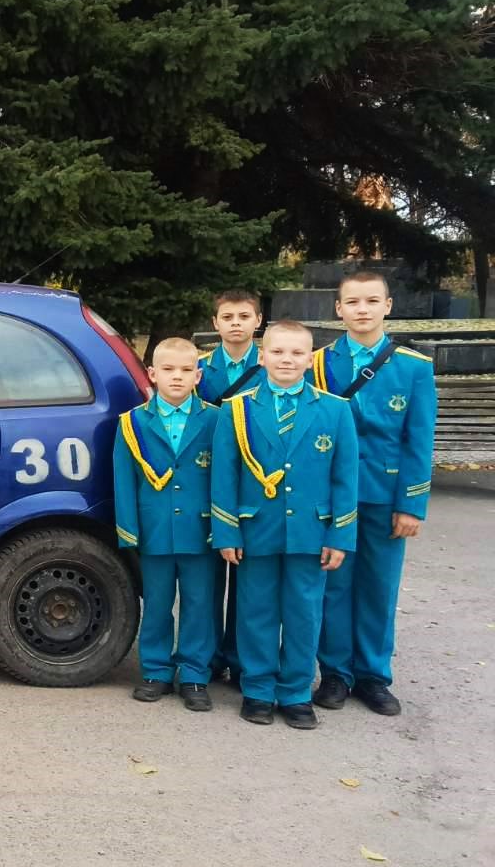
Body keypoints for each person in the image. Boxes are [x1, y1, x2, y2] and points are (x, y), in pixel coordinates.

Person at [211, 320, 357, 729]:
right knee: (255, 612)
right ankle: (257, 690)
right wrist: (226, 530)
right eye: (277, 352)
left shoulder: (335, 410)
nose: (286, 360)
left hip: (312, 533)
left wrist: (340, 535)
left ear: (309, 360)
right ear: (262, 357)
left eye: (296, 353)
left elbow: (345, 479)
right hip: (256, 530)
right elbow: (225, 475)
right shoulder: (236, 410)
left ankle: (295, 693)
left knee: (304, 614)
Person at [310, 271, 438, 716]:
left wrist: (411, 504)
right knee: (333, 585)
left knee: (379, 587)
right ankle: (335, 675)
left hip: (386, 494)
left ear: (388, 306)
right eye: (352, 301)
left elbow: (418, 441)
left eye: (371, 300)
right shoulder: (318, 364)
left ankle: (373, 677)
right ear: (338, 309)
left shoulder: (414, 367)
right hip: (334, 495)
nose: (361, 309)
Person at [112, 337, 219, 712]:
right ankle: (156, 671)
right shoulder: (133, 423)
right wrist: (129, 531)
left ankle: (193, 675)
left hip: (201, 532)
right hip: (154, 532)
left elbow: (224, 478)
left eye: (186, 370)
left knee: (199, 605)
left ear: (198, 376)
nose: (177, 377)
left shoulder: (216, 419)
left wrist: (222, 528)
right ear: (153, 374)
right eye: (169, 370)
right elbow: (123, 481)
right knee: (156, 605)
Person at [196, 289, 265, 683]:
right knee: (207, 579)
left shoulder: (272, 365)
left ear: (258, 321)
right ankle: (207, 657)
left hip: (258, 484)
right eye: (228, 316)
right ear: (215, 323)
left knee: (249, 582)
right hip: (209, 479)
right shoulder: (202, 370)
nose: (236, 322)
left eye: (244, 315)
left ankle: (240, 659)